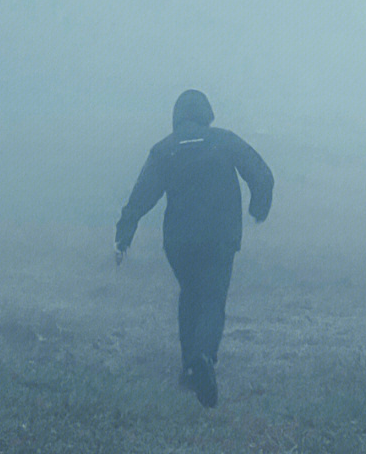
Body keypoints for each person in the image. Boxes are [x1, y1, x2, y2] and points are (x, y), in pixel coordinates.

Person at [115, 89, 273, 408]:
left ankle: (189, 367)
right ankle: (203, 357)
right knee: (213, 298)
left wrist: (124, 234)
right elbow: (263, 176)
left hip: (179, 242)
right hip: (219, 238)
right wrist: (259, 209)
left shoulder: (165, 149)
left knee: (190, 294)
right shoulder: (225, 140)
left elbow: (141, 196)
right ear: (207, 114)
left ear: (176, 117)